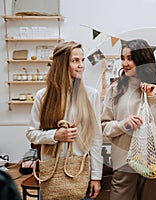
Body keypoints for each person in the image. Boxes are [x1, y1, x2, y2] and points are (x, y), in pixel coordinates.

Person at [26, 41, 103, 199]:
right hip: (51, 173)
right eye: (75, 61)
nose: (81, 65)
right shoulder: (43, 96)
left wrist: (96, 176)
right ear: (61, 64)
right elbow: (31, 134)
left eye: (82, 60)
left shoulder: (91, 95)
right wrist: (55, 135)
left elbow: (96, 138)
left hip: (80, 172)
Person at [101, 39, 156, 200]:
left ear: (142, 60)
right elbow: (104, 127)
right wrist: (123, 124)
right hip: (124, 163)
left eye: (129, 58)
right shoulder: (115, 89)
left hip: (154, 162)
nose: (125, 63)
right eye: (123, 58)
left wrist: (152, 98)